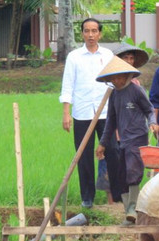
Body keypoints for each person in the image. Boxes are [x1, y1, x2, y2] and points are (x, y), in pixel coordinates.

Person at [96, 57, 159, 225]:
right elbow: (110, 121)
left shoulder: (136, 90)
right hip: (123, 140)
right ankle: (129, 213)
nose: (117, 80)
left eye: (120, 77)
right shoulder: (114, 95)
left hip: (138, 137)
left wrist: (153, 123)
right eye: (114, 78)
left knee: (133, 173)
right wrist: (103, 143)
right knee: (122, 175)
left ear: (127, 75)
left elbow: (149, 110)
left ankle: (133, 208)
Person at [60, 18, 114, 208]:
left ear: (100, 33)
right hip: (82, 112)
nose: (90, 35)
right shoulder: (74, 57)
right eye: (86, 31)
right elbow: (68, 85)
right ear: (82, 33)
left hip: (106, 112)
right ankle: (87, 197)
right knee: (83, 155)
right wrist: (66, 113)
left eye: (94, 31)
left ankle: (113, 196)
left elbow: (115, 82)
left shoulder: (107, 55)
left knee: (111, 151)